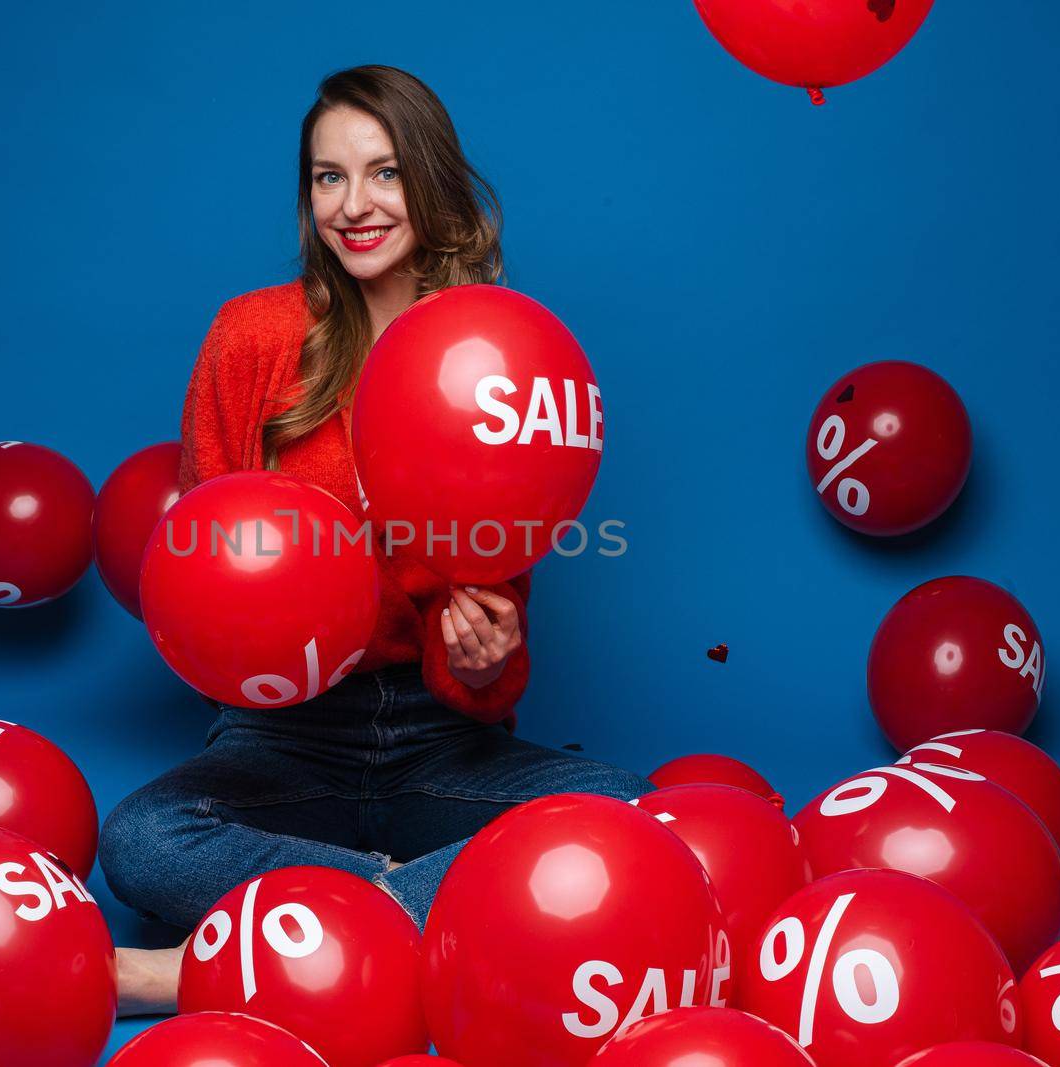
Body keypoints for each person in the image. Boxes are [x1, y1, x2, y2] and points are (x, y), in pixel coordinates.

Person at [102, 63, 651, 1015]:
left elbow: (492, 663)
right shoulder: (251, 338)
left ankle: (253, 951)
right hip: (282, 738)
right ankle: (431, 910)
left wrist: (484, 656)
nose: (355, 206)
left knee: (640, 818)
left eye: (385, 173)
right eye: (328, 177)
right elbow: (201, 566)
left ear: (430, 184)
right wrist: (251, 626)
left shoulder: (491, 357)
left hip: (440, 744)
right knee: (143, 838)